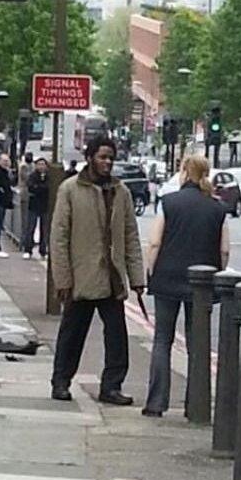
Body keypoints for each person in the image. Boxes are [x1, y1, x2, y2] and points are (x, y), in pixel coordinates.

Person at [50, 136, 145, 405]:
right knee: (72, 334)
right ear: (89, 157)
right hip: (81, 277)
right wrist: (63, 278)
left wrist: (137, 278)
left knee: (117, 337)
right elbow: (59, 238)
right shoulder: (70, 189)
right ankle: (61, 382)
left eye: (111, 158)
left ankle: (111, 387)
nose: (107, 162)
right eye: (102, 157)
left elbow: (130, 236)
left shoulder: (121, 192)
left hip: (112, 278)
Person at [142, 155, 230, 418]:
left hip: (167, 277)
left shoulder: (168, 203)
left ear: (183, 172)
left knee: (162, 340)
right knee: (197, 343)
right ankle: (196, 405)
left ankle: (156, 403)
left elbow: (155, 242)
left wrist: (151, 271)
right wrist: (218, 273)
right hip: (202, 282)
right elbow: (224, 250)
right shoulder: (218, 208)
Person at [23, 158, 50, 260]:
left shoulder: (49, 176)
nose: (41, 166)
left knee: (45, 229)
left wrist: (38, 188)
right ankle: (27, 249)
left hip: (45, 205)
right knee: (30, 228)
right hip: (34, 205)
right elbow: (31, 187)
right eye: (39, 164)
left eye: (43, 164)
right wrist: (40, 188)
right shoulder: (33, 176)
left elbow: (48, 188)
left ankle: (43, 250)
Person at [18, 152, 35, 251]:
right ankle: (24, 242)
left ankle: (27, 242)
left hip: (31, 196)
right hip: (25, 194)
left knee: (29, 221)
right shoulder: (23, 166)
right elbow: (26, 178)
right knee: (25, 221)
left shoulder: (32, 165)